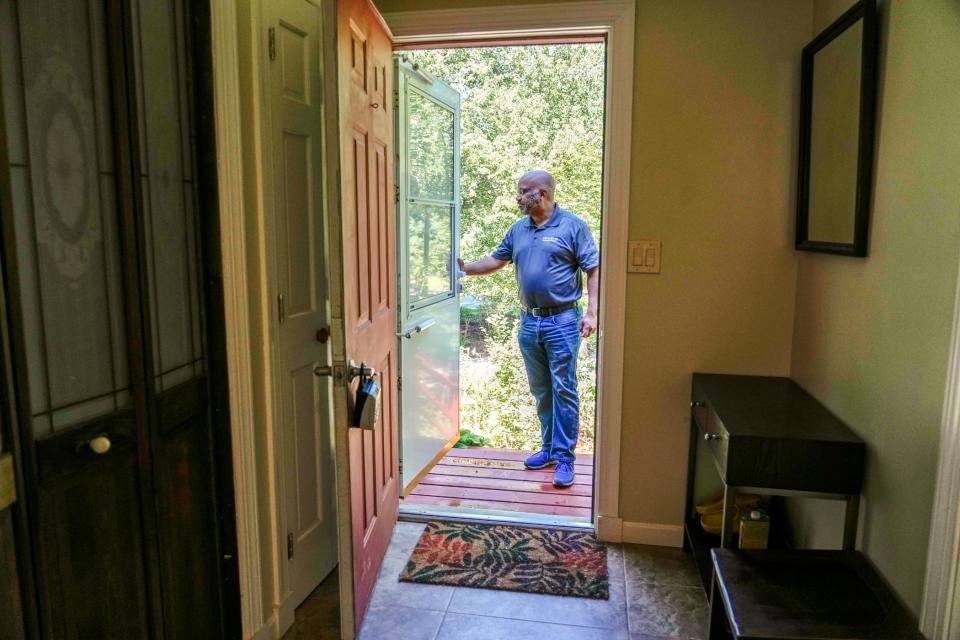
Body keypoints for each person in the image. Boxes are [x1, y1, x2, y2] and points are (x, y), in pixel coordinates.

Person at [458, 170, 600, 488]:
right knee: (541, 389)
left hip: (562, 321)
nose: (518, 196)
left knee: (563, 388)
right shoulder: (518, 229)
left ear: (543, 194)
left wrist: (592, 313)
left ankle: (565, 459)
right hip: (529, 321)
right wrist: (464, 269)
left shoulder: (572, 226)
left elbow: (593, 269)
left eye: (524, 191)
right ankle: (548, 450)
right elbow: (496, 261)